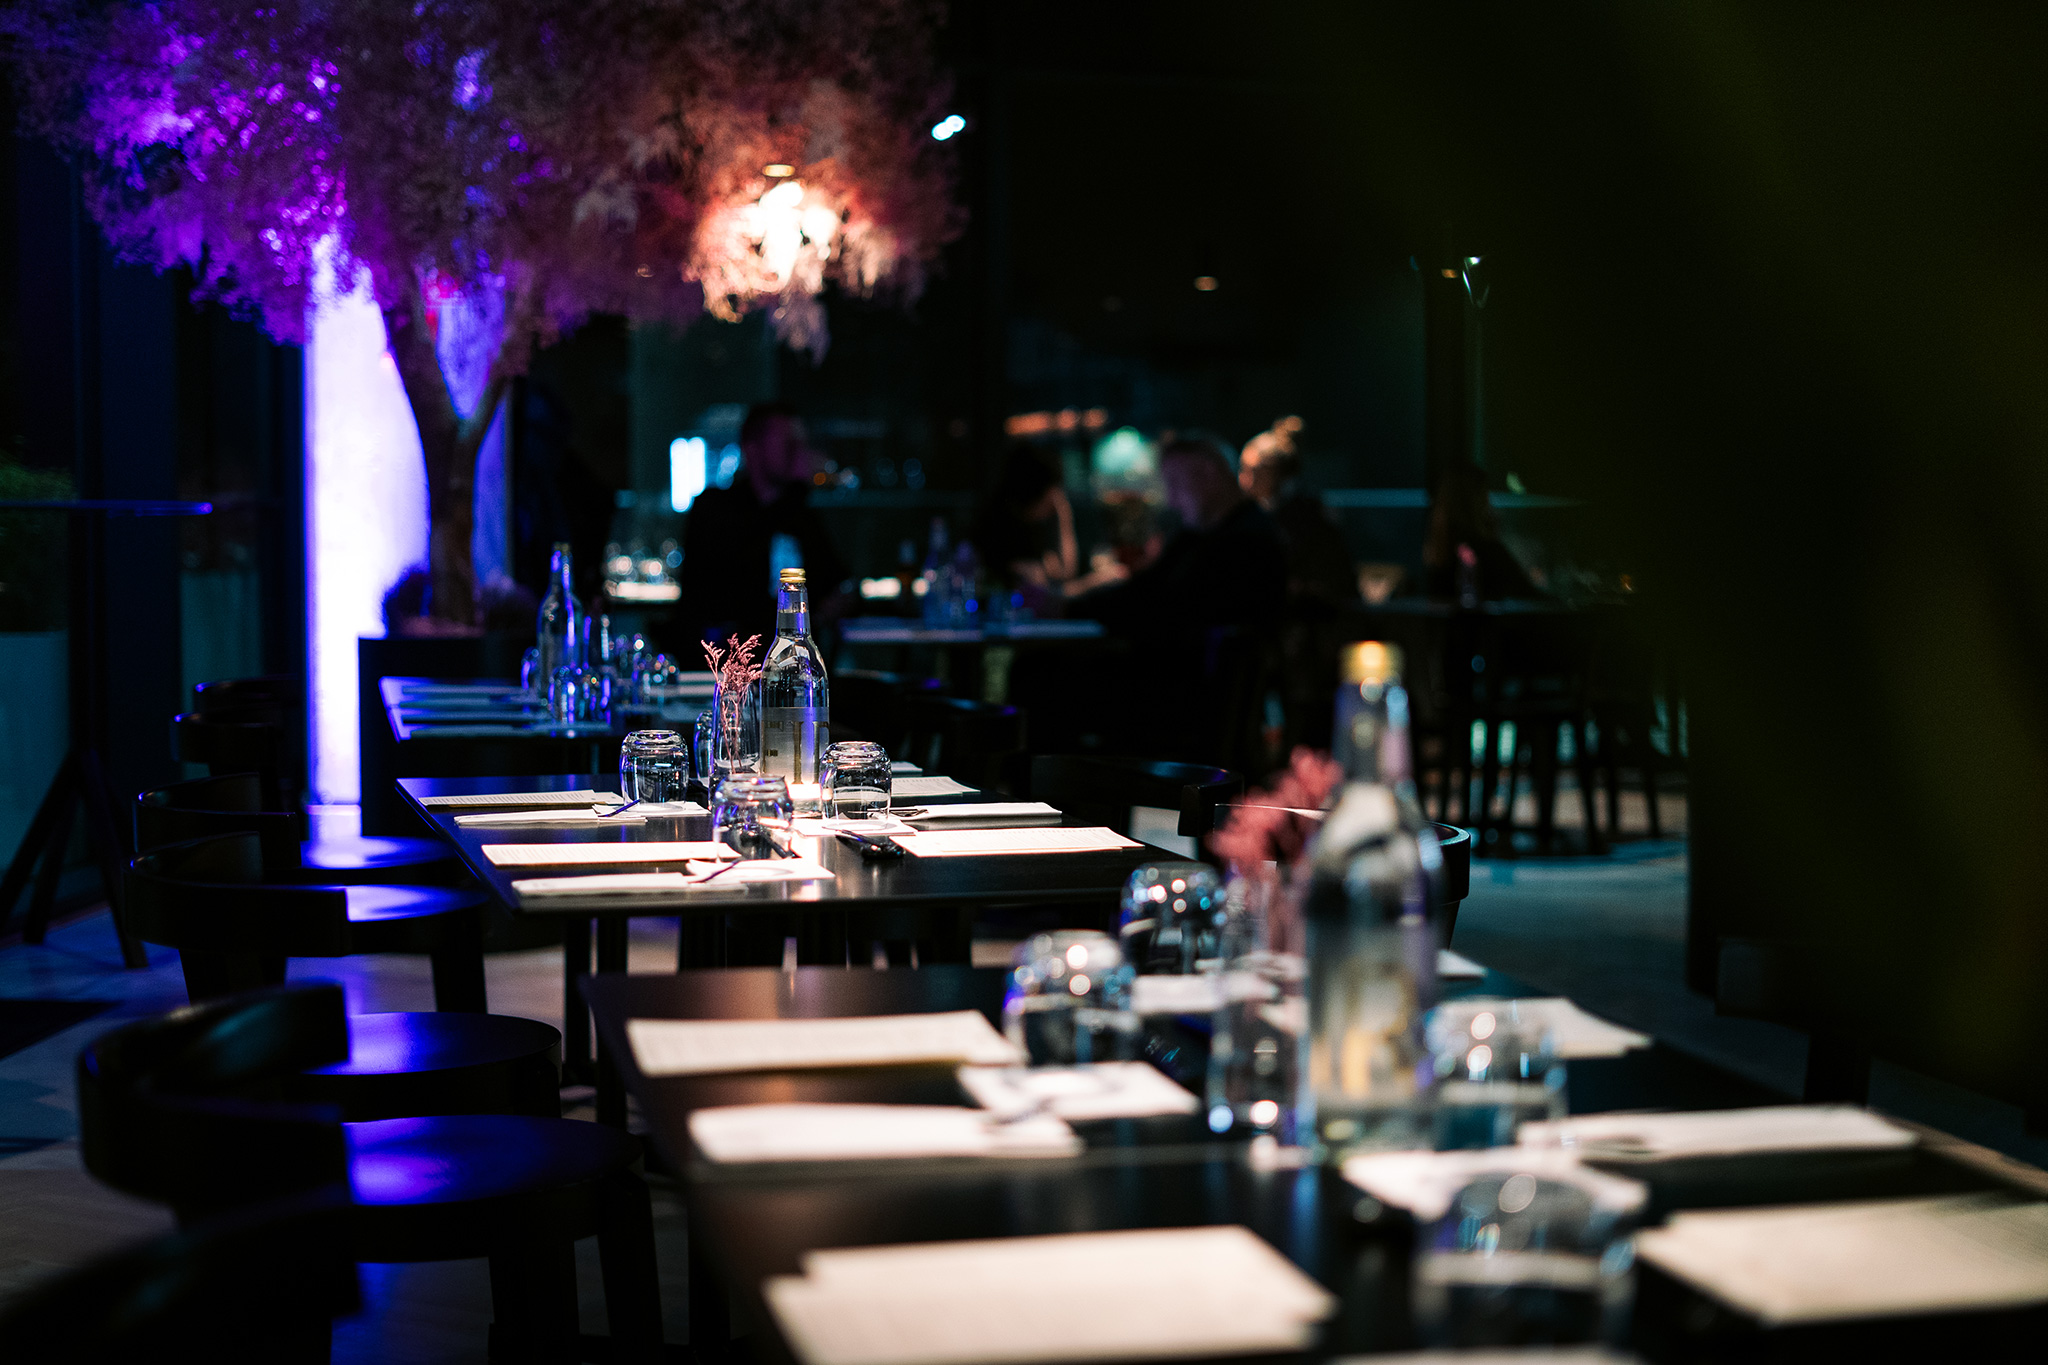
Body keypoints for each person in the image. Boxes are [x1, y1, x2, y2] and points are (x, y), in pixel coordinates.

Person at [677, 402, 850, 645]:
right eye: (787, 443)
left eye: (800, 443)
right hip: (730, 654)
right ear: (752, 447)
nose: (797, 452)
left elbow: (835, 579)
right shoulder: (716, 510)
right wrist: (799, 486)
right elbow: (736, 588)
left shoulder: (802, 517)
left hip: (794, 659)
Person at [1238, 416, 1358, 614]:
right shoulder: (1259, 513)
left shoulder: (1305, 517)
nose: (1244, 480)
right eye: (1243, 470)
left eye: (1254, 471)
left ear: (1276, 472)